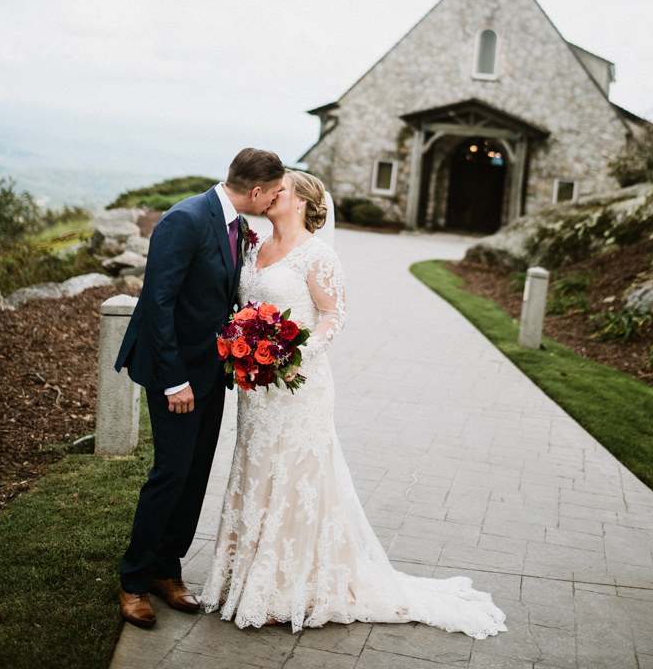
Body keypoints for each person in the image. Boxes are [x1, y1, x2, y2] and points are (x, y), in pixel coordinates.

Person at [201, 170, 507, 640]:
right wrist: (243, 343)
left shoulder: (318, 254)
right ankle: (243, 578)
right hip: (256, 387)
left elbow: (333, 315)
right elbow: (242, 307)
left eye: (280, 188)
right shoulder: (253, 245)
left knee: (294, 476)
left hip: (299, 382)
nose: (272, 192)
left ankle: (286, 590)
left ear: (301, 201)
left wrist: (296, 354)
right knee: (255, 470)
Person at [115, 147, 285, 629]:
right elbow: (158, 303)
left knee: (194, 476)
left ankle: (168, 571)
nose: (274, 201)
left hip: (212, 374)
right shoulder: (185, 220)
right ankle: (133, 581)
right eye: (272, 193)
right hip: (177, 375)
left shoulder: (238, 226)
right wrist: (174, 381)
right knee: (170, 474)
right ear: (255, 191)